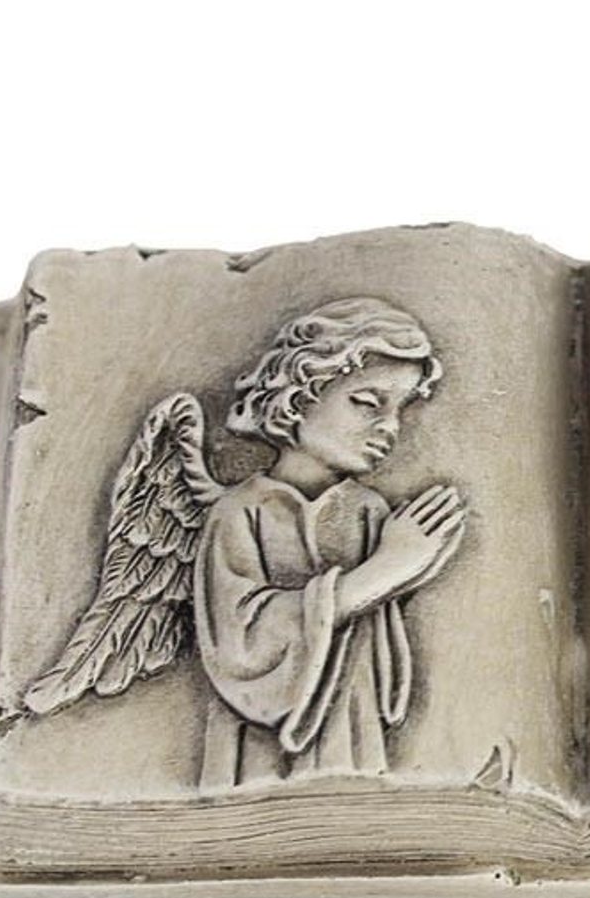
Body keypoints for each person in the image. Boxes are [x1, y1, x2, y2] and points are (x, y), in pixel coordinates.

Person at [193, 297, 465, 786]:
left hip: (349, 734)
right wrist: (385, 571)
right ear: (299, 395)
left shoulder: (370, 512)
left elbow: (384, 673)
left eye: (401, 409)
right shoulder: (240, 512)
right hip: (261, 756)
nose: (391, 427)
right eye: (368, 403)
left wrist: (411, 569)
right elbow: (240, 647)